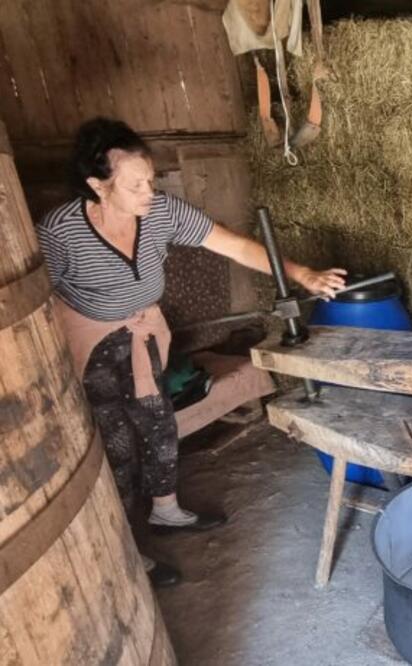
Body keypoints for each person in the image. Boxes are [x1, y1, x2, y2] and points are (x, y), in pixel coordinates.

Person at [37, 117, 347, 587]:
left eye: (151, 179)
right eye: (135, 183)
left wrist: (302, 274)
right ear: (98, 186)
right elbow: (40, 299)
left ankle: (166, 512)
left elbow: (235, 246)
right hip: (91, 339)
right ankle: (127, 552)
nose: (148, 190)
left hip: (143, 330)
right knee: (116, 445)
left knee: (159, 419)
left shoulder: (159, 213)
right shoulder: (61, 232)